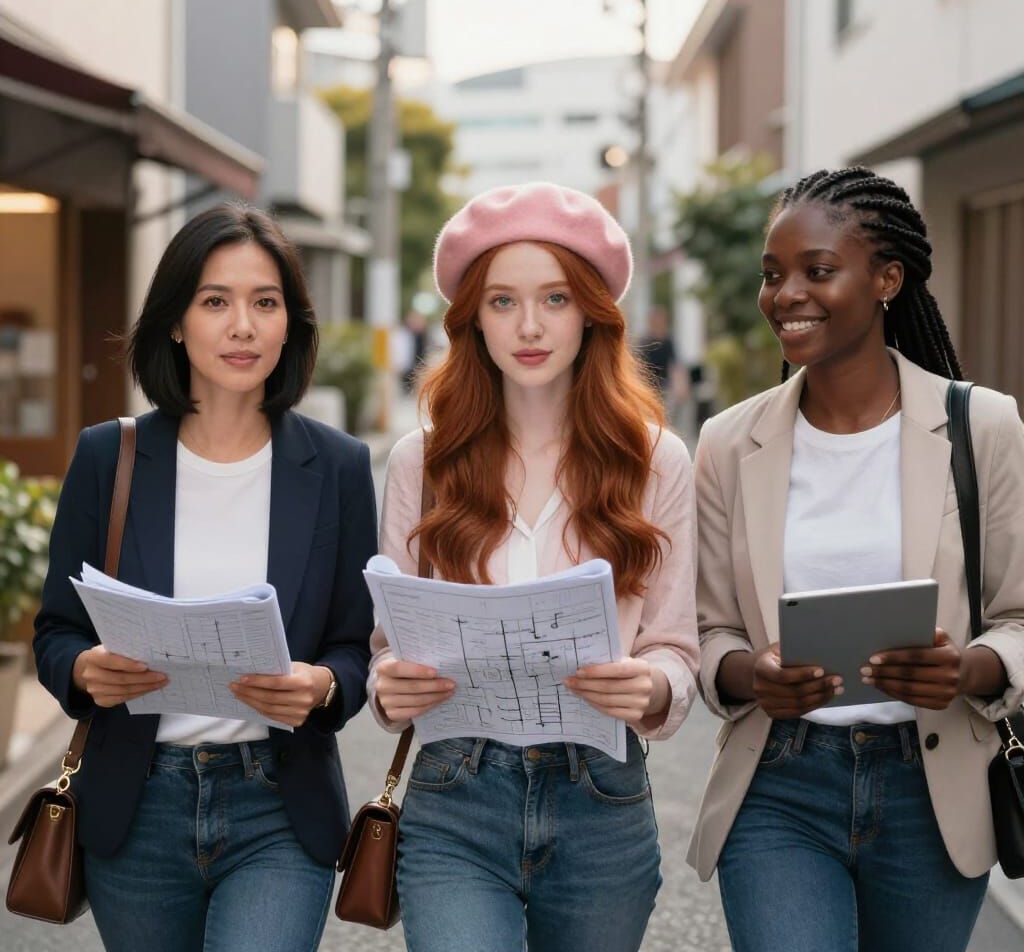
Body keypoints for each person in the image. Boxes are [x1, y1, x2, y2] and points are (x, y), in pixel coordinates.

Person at [686, 167, 1024, 952]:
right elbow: (708, 632)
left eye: (818, 270)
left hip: (931, 789)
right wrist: (751, 674)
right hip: (780, 782)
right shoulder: (730, 444)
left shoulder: (984, 427)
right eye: (773, 275)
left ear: (887, 279)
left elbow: (1017, 616)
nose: (786, 294)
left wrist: (970, 670)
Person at [33, 204, 377, 952]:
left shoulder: (340, 468)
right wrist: (87, 669)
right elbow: (56, 631)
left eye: (265, 302)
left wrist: (321, 684)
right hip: (137, 799)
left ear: (291, 326)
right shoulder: (108, 457)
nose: (243, 325)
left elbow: (358, 645)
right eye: (215, 301)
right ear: (177, 322)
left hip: (279, 803)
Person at [367, 182, 700, 951]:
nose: (529, 326)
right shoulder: (420, 461)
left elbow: (677, 647)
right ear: (471, 319)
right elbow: (391, 644)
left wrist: (650, 683)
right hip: (455, 787)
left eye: (554, 297)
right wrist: (392, 682)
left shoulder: (658, 461)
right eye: (502, 302)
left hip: (602, 793)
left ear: (591, 311)